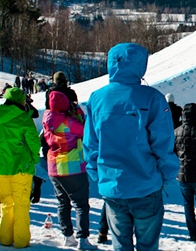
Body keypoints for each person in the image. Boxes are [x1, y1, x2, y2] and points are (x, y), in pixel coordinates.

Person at [83, 43, 180, 251]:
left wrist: (100, 176)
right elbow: (164, 145)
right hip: (146, 185)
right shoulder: (152, 97)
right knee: (147, 245)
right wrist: (165, 176)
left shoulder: (97, 98)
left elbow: (91, 145)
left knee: (120, 245)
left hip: (113, 187)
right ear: (141, 65)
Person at [43, 91, 97, 250]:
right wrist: (78, 112)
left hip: (53, 167)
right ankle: (83, 239)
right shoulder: (68, 122)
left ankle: (68, 237)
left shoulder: (47, 121)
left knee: (62, 204)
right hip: (72, 167)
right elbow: (86, 131)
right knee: (80, 204)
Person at [0, 87, 40, 249]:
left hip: (1, 169)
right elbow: (33, 142)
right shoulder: (23, 118)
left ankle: (5, 238)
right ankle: (21, 241)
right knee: (21, 205)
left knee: (6, 204)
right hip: (21, 168)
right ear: (19, 102)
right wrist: (34, 159)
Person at [174, 103, 196, 242]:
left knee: (187, 204)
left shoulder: (176, 132)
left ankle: (192, 232)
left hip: (182, 173)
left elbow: (173, 152)